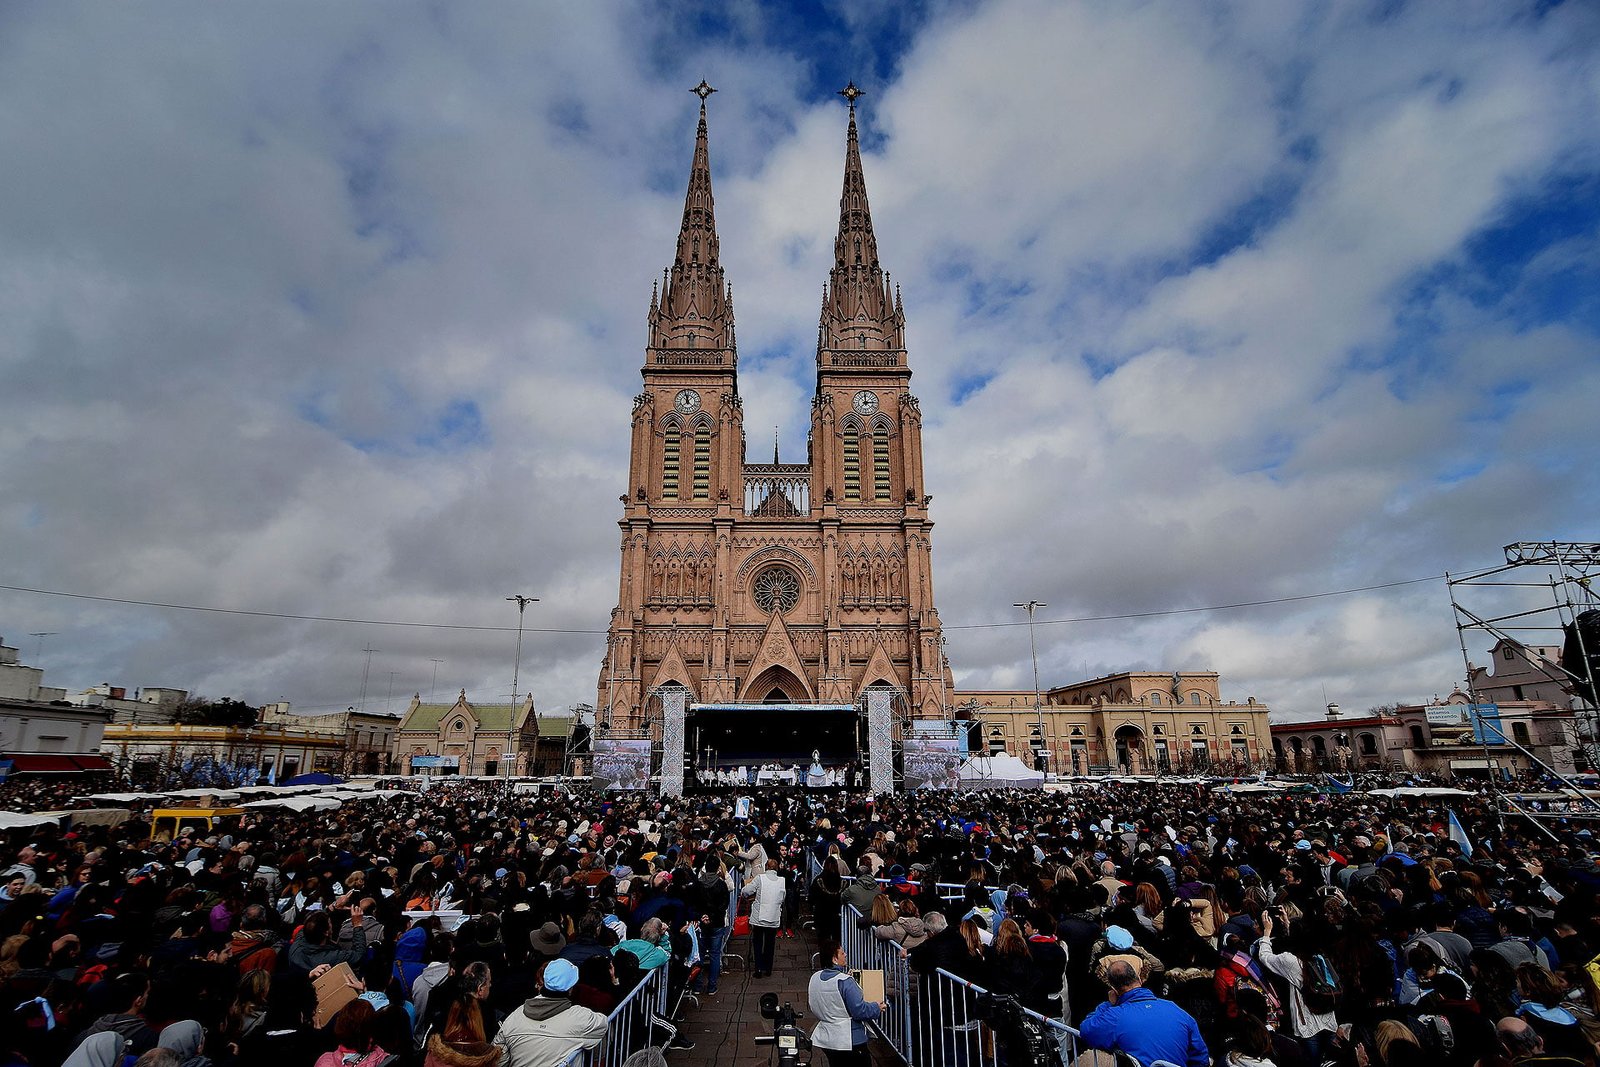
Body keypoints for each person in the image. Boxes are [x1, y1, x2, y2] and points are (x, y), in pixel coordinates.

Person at [1078, 958, 1210, 1067]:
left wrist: (1108, 1005)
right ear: (1139, 980)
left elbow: (1087, 1030)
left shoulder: (1114, 1016)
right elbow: (1200, 1055)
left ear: (1114, 990)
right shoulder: (1174, 1008)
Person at [491, 958, 606, 1067]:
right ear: (571, 988)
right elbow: (603, 1024)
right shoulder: (581, 1017)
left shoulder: (515, 1016)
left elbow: (499, 1057)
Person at [808, 938, 884, 1067]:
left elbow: (812, 1005)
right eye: (842, 953)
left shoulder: (815, 978)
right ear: (834, 959)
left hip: (827, 1038)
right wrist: (877, 1007)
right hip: (850, 1039)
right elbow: (859, 1011)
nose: (845, 955)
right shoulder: (845, 981)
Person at [743, 858, 787, 978]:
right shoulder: (782, 881)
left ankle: (758, 969)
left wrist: (744, 892)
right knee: (770, 943)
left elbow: (747, 890)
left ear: (766, 867)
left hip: (759, 917)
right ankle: (768, 968)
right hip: (773, 917)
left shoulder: (759, 878)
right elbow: (782, 898)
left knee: (757, 943)